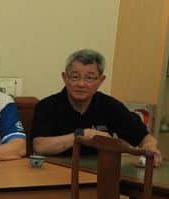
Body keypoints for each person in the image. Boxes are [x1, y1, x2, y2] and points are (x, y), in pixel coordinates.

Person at [31, 48, 162, 164]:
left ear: (101, 80)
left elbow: (145, 137)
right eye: (75, 77)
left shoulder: (110, 106)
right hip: (55, 173)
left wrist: (150, 148)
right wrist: (83, 134)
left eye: (89, 78)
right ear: (65, 78)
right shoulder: (47, 105)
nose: (81, 84)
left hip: (99, 175)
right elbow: (40, 146)